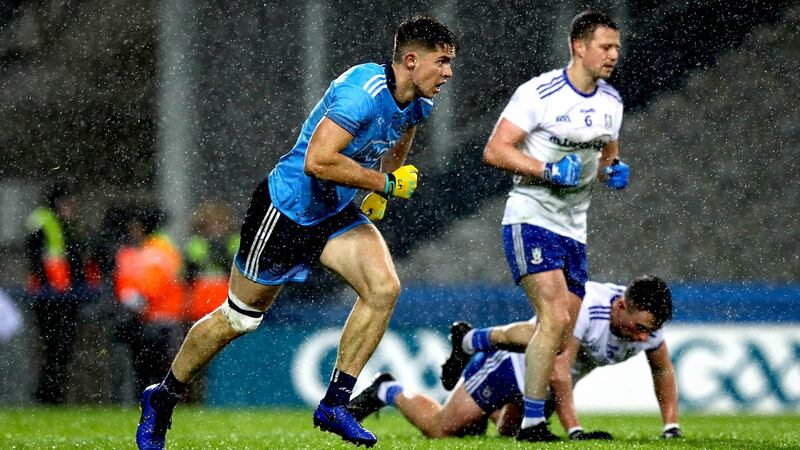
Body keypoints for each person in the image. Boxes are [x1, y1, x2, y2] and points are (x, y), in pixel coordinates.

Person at [136, 14, 458, 450]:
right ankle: (163, 395)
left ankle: (335, 403)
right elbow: (317, 161)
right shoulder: (361, 94)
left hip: (334, 212)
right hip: (286, 211)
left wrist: (381, 187)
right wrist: (384, 183)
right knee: (238, 319)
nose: (448, 72)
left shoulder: (419, 101)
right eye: (442, 62)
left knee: (383, 288)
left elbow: (401, 134)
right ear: (412, 60)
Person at [478, 10, 629, 441]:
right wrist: (546, 169)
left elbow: (607, 155)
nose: (613, 55)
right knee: (556, 316)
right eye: (605, 46)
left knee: (561, 332)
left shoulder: (612, 102)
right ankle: (532, 424)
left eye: (617, 48)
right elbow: (495, 150)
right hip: (531, 216)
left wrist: (613, 171)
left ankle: (475, 342)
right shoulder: (539, 93)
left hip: (574, 228)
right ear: (579, 47)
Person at [353, 276, 681, 441]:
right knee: (442, 430)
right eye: (639, 328)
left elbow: (663, 371)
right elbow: (558, 369)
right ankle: (386, 389)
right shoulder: (586, 305)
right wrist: (575, 431)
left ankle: (481, 408)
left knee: (510, 434)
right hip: (512, 364)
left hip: (546, 388)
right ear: (621, 306)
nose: (643, 338)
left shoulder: (649, 327)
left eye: (649, 331)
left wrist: (671, 427)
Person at [25, 182, 88, 404]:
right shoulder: (45, 221)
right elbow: (41, 257)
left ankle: (52, 394)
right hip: (52, 296)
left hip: (62, 295)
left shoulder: (59, 223)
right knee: (55, 348)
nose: (72, 206)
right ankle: (49, 394)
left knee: (59, 349)